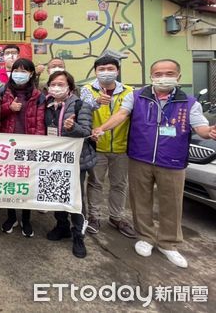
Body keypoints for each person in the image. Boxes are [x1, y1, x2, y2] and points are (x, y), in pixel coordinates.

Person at [92, 59, 216, 268]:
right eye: (158, 73)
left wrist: (209, 132)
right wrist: (102, 128)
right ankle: (146, 237)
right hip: (141, 157)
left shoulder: (189, 102)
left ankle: (169, 243)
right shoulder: (137, 96)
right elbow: (121, 115)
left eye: (169, 73)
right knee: (140, 199)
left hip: (173, 160)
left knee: (172, 203)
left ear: (178, 76)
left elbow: (200, 127)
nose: (163, 77)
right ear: (151, 76)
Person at [80, 56, 136, 238]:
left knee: (119, 184)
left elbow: (126, 115)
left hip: (122, 147)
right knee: (95, 183)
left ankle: (116, 217)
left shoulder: (129, 92)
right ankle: (94, 217)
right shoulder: (88, 89)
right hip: (97, 146)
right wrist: (97, 103)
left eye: (110, 68)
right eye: (101, 69)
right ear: (95, 71)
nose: (105, 72)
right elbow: (83, 109)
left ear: (117, 70)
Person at [45, 70, 96, 258]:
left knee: (75, 198)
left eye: (61, 84)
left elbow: (86, 131)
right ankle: (62, 226)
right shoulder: (48, 104)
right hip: (54, 158)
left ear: (70, 87)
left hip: (75, 159)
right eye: (53, 84)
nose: (56, 87)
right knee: (56, 192)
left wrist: (72, 127)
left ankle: (78, 235)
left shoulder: (80, 105)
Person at [0, 58, 46, 237]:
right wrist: (9, 108)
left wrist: (38, 145)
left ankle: (26, 218)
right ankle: (11, 216)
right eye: (16, 70)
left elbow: (40, 122)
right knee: (9, 182)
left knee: (27, 183)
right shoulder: (4, 90)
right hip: (7, 145)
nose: (19, 73)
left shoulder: (38, 95)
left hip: (28, 146)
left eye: (24, 70)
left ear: (31, 73)